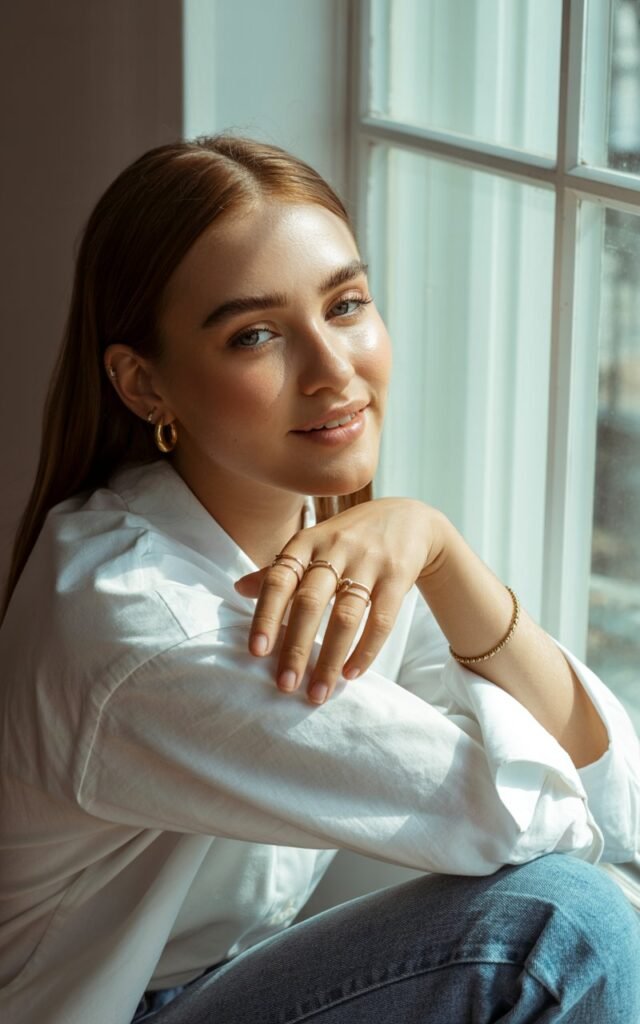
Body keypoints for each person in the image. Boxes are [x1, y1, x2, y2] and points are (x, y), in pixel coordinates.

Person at [0, 135, 639, 1024]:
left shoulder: (320, 548)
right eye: (256, 334)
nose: (334, 368)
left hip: (219, 981)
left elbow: (611, 794)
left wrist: (441, 554)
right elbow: (534, 821)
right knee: (566, 924)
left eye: (346, 305)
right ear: (143, 384)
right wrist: (436, 553)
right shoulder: (144, 625)